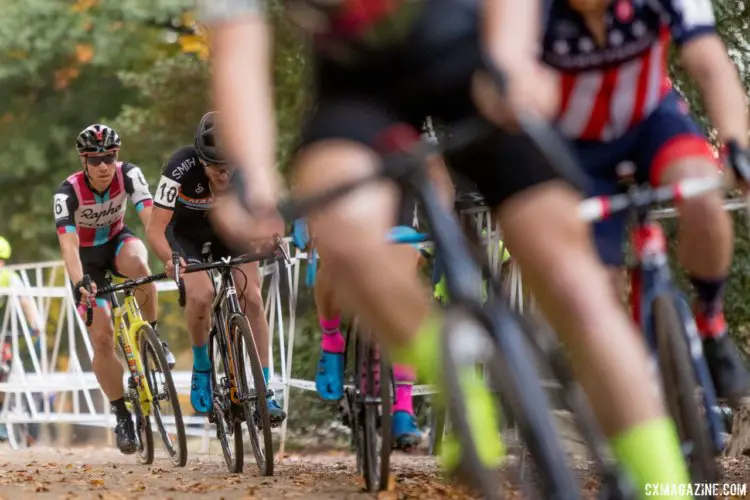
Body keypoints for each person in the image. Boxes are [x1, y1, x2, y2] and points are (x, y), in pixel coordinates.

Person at [200, 0, 692, 494]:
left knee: (572, 281)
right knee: (341, 230)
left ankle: (664, 484)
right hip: (360, 84)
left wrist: (511, 57)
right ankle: (456, 372)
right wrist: (252, 176)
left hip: (470, 48)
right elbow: (237, 46)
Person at [542, 0, 750, 408]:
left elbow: (710, 63)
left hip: (651, 122)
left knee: (704, 199)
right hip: (574, 148)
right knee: (595, 291)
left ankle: (710, 321)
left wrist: (737, 146)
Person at [146, 111, 286, 425]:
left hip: (233, 233)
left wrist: (274, 237)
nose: (223, 176)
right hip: (187, 237)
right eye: (214, 168)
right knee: (201, 295)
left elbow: (270, 214)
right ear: (200, 159)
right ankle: (202, 365)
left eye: (228, 168)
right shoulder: (180, 167)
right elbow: (156, 229)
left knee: (251, 298)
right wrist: (171, 259)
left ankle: (264, 388)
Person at [54, 124, 173, 454]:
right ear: (84, 162)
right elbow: (68, 246)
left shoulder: (129, 175)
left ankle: (154, 336)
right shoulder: (67, 194)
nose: (104, 165)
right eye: (95, 160)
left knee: (139, 263)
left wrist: (167, 254)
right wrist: (80, 283)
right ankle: (121, 414)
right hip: (86, 262)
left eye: (109, 157)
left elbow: (150, 220)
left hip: (118, 243)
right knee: (102, 338)